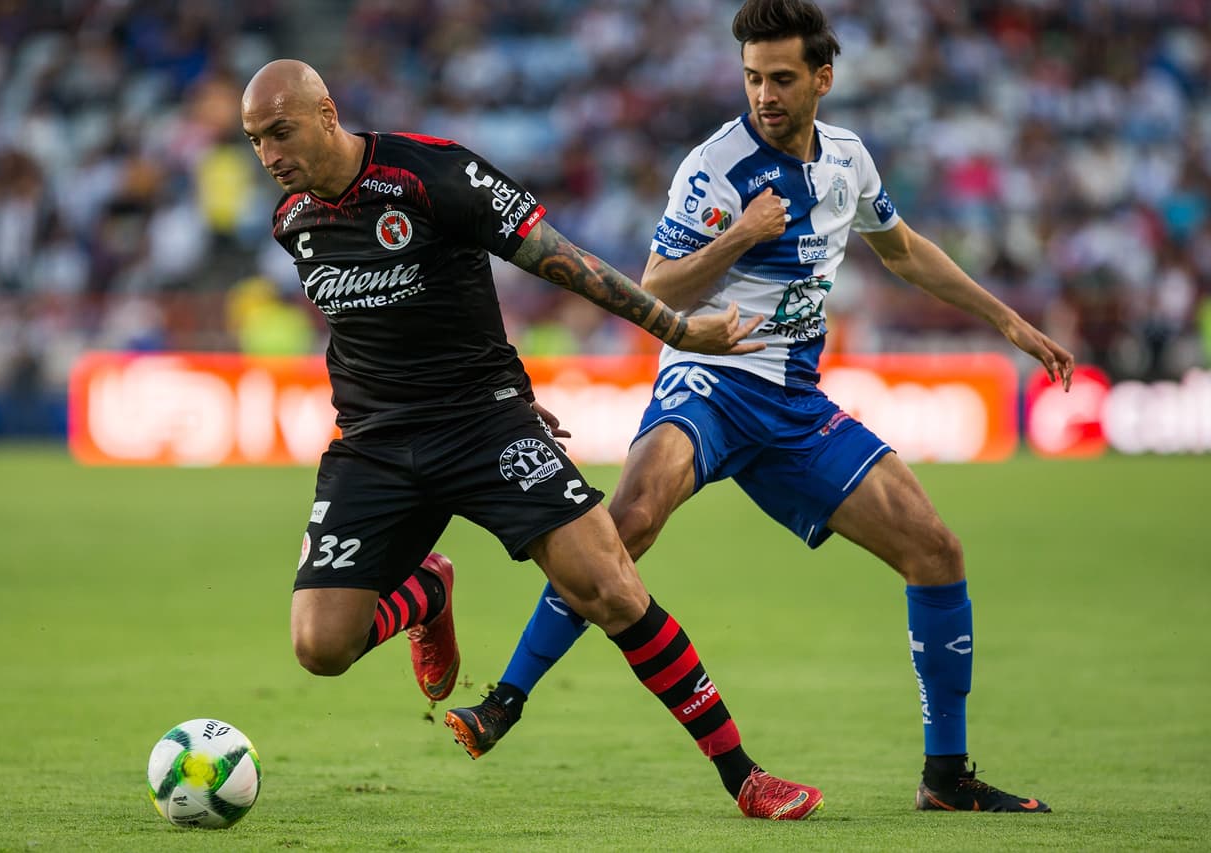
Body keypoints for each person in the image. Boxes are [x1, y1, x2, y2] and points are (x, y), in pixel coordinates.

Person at [445, 0, 1073, 814]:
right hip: (708, 383)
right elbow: (654, 285)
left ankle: (945, 776)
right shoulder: (714, 166)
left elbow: (905, 250)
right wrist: (740, 234)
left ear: (823, 78)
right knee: (628, 519)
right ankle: (505, 700)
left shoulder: (849, 159)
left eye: (781, 78)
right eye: (751, 78)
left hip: (796, 409)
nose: (764, 95)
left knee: (936, 551)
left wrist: (1008, 319)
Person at [241, 58, 826, 821]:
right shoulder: (292, 222)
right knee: (320, 647)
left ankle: (744, 776)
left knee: (610, 585)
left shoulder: (434, 174)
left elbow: (566, 263)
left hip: (482, 425)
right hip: (374, 444)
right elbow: (374, 333)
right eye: (255, 141)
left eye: (280, 132)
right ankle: (426, 591)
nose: (269, 155)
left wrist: (677, 329)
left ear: (326, 114)